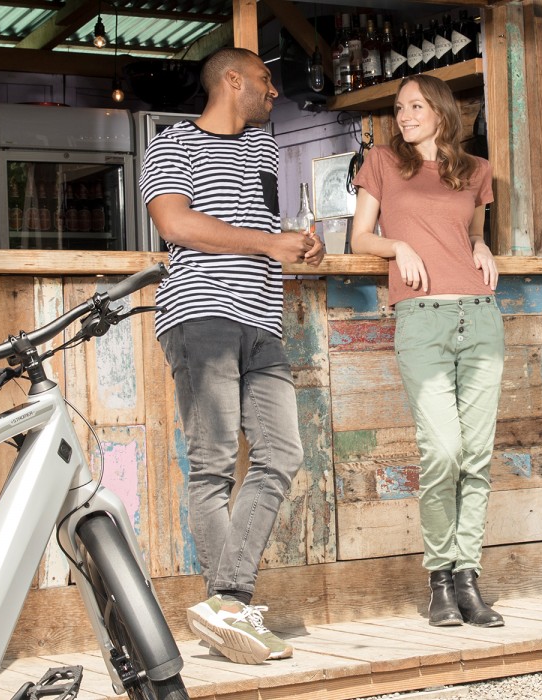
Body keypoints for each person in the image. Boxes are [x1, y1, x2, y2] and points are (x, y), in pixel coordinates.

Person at [139, 47, 325, 665]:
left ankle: (225, 603)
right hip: (201, 313)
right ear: (233, 79)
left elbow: (261, 226)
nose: (274, 92)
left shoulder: (266, 147)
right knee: (214, 464)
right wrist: (270, 241)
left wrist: (297, 246)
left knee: (282, 453)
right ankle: (232, 609)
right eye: (267, 81)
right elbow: (177, 225)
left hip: (262, 318)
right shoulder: (170, 144)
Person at [349, 74, 504, 628]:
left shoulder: (475, 171)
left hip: (480, 316)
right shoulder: (383, 165)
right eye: (399, 107)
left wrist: (483, 246)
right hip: (421, 320)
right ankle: (440, 576)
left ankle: (468, 579)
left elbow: (471, 234)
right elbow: (359, 238)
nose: (405, 114)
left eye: (416, 105)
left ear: (440, 110)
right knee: (443, 451)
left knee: (477, 458)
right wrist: (399, 244)